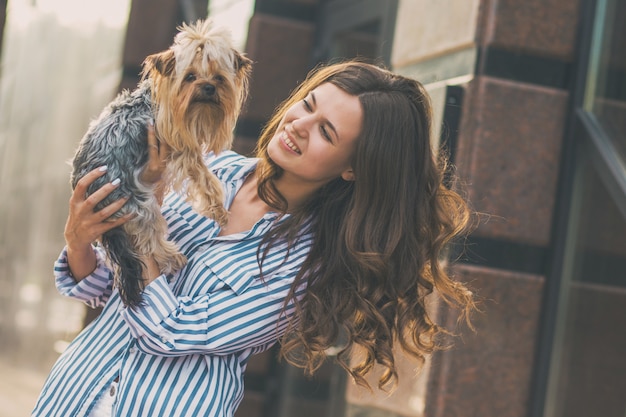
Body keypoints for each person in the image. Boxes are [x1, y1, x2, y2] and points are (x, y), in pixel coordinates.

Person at [32, 60, 476, 417]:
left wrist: (143, 217)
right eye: (307, 104)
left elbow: (171, 331)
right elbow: (106, 292)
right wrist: (79, 242)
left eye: (326, 131)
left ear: (354, 168)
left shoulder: (302, 265)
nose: (299, 124)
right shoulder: (208, 169)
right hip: (73, 394)